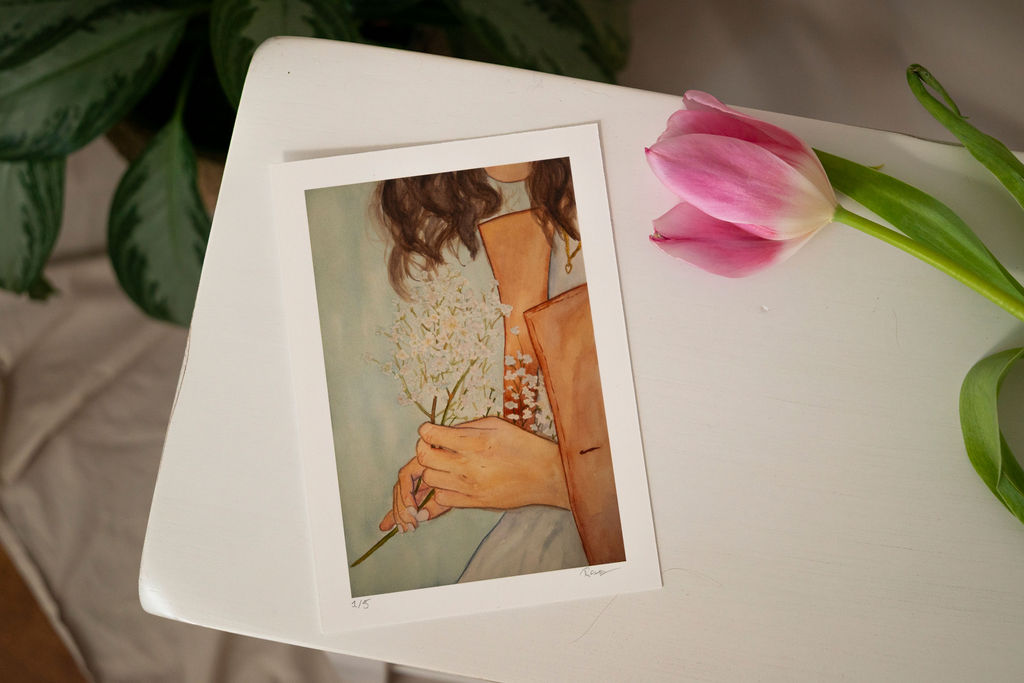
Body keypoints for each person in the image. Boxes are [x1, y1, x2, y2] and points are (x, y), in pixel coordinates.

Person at [374, 159, 624, 579]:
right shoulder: (521, 229)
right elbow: (537, 421)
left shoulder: (618, 205)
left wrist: (551, 476)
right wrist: (464, 467)